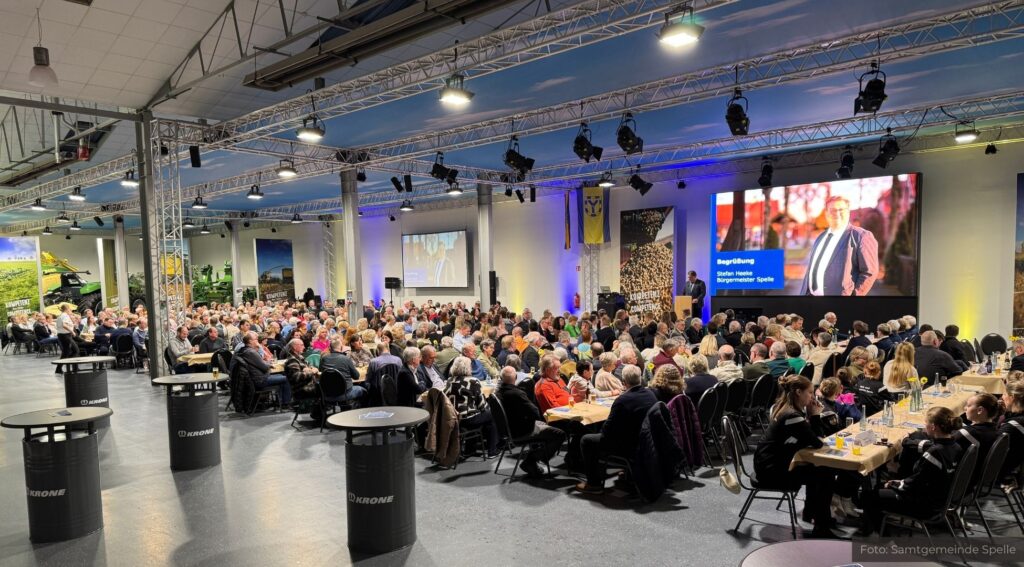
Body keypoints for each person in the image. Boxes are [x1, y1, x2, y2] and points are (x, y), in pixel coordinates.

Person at [754, 375, 838, 538]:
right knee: (825, 474)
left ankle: (812, 513)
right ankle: (821, 525)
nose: (813, 397)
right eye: (810, 393)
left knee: (820, 469)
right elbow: (817, 442)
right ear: (798, 392)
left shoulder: (788, 408)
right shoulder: (792, 416)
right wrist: (815, 415)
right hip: (771, 471)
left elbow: (810, 439)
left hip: (770, 463)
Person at [858, 407, 964, 536]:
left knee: (867, 496)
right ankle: (879, 526)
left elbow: (916, 484)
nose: (924, 427)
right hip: (943, 499)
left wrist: (895, 483)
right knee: (879, 488)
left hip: (926, 506)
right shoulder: (956, 447)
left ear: (933, 427)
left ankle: (884, 537)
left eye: (925, 424)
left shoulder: (934, 453)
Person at [575, 365, 658, 494]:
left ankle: (593, 484)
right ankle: (630, 472)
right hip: (647, 438)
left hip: (628, 444)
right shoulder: (651, 394)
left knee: (586, 439)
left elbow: (607, 432)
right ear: (640, 378)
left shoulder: (622, 400)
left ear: (624, 383)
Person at [494, 366, 565, 478]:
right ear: (515, 377)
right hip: (523, 431)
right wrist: (539, 422)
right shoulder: (516, 393)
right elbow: (535, 411)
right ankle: (531, 461)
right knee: (560, 434)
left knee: (546, 429)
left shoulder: (497, 393)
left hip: (509, 431)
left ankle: (533, 460)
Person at [801, 196, 879, 296]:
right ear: (826, 213)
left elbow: (869, 272)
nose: (837, 213)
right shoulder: (820, 237)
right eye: (832, 210)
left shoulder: (861, 236)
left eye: (841, 210)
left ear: (848, 212)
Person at [445, 356, 499, 457]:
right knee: (490, 416)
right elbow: (481, 404)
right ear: (468, 368)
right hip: (467, 419)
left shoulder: (449, 381)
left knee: (482, 416)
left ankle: (471, 449)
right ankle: (492, 450)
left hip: (453, 417)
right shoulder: (473, 381)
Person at [234, 331, 292, 407]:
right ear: (250, 341)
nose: (258, 341)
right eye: (256, 339)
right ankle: (285, 403)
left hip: (256, 378)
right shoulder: (251, 352)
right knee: (286, 378)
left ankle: (280, 401)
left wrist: (266, 363)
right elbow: (264, 366)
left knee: (281, 375)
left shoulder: (245, 350)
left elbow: (261, 362)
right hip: (260, 380)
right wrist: (268, 364)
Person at [953, 393, 1001, 484]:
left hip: (962, 481)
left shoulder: (968, 434)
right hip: (977, 478)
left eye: (968, 405)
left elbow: (943, 444)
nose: (965, 408)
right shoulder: (993, 429)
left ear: (980, 410)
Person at [319, 336, 367, 406]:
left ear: (330, 348)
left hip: (327, 393)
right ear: (341, 348)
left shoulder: (324, 358)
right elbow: (356, 376)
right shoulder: (346, 359)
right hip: (345, 393)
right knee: (363, 390)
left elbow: (321, 371)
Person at [998, 379, 1024, 479]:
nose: (1002, 397)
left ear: (1012, 397)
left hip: (1001, 470)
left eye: (1004, 394)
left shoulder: (1013, 426)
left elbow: (991, 447)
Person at [282, 338, 320, 402]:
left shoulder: (300, 357)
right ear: (295, 347)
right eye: (302, 345)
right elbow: (297, 377)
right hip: (301, 389)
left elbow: (311, 367)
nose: (304, 347)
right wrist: (311, 372)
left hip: (309, 384)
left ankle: (321, 407)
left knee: (325, 384)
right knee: (324, 387)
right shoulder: (292, 360)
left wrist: (311, 369)